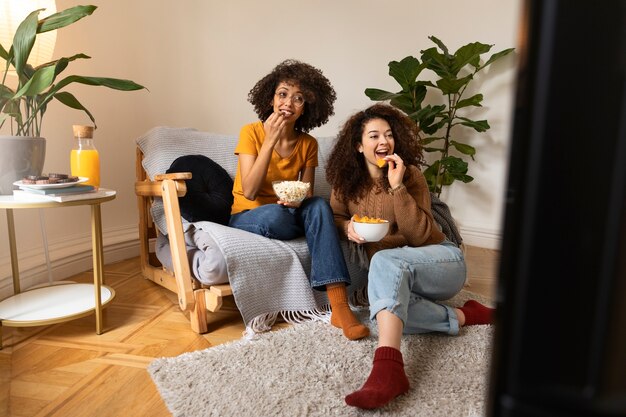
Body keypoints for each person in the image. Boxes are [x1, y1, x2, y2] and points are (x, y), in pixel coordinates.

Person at [325, 103, 494, 409]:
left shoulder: (410, 174)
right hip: (394, 272)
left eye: (388, 135)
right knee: (385, 314)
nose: (383, 142)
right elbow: (335, 217)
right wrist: (346, 226)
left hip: (440, 261)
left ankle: (388, 369)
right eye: (374, 135)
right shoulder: (345, 181)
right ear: (358, 145)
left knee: (383, 268)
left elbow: (419, 234)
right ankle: (466, 314)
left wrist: (397, 187)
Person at [228, 59, 369, 341]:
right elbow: (252, 191)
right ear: (270, 98)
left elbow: (306, 192)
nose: (288, 103)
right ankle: (306, 229)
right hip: (249, 215)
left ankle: (340, 307)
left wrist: (298, 201)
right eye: (283, 94)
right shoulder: (251, 133)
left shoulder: (308, 144)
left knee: (319, 205)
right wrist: (269, 141)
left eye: (299, 98)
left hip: (288, 213)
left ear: (307, 107)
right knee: (279, 216)